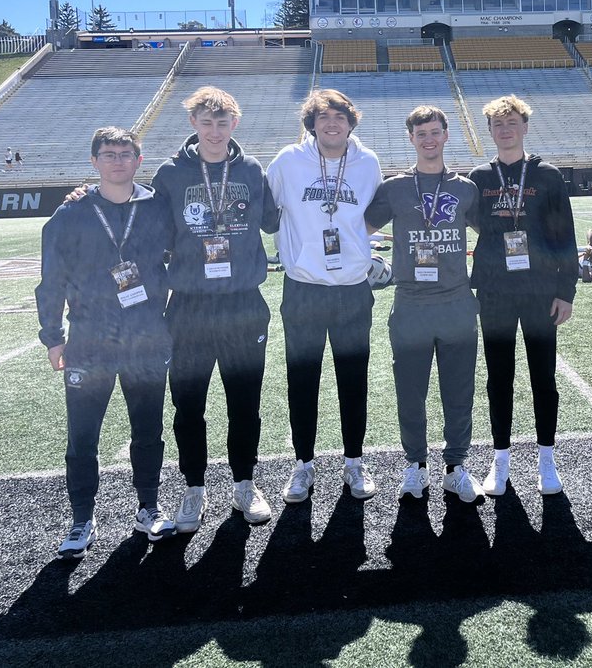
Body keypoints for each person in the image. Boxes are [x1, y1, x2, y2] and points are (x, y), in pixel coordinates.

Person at [35, 127, 177, 559]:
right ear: (94, 161)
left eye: (125, 153)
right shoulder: (70, 214)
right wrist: (52, 338)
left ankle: (148, 507)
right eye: (108, 153)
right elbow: (51, 280)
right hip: (89, 338)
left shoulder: (157, 207)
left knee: (148, 429)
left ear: (138, 159)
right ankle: (81, 517)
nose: (117, 160)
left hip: (146, 336)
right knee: (82, 435)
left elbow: (181, 254)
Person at [152, 87, 280, 532]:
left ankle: (245, 483)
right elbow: (148, 225)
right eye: (206, 122)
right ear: (193, 124)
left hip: (243, 304)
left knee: (245, 404)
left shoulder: (250, 168)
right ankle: (194, 489)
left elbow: (278, 219)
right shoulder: (170, 173)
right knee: (189, 405)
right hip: (188, 305)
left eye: (222, 122)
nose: (214, 130)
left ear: (234, 124)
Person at [267, 89, 382, 504]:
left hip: (352, 289)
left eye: (339, 117)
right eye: (323, 117)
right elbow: (264, 210)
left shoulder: (368, 163)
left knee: (354, 381)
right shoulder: (287, 161)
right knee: (303, 381)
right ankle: (303, 464)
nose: (331, 124)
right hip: (304, 289)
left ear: (351, 122)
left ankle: (354, 461)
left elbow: (371, 215)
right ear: (311, 123)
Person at [365, 106, 484, 503]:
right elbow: (358, 228)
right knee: (410, 392)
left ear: (447, 135)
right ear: (411, 139)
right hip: (411, 303)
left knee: (459, 391)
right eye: (421, 134)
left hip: (456, 303)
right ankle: (415, 465)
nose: (429, 139)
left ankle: (456, 466)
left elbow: (495, 234)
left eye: (435, 132)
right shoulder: (395, 188)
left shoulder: (466, 188)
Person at [469, 95, 577, 496]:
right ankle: (501, 460)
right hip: (495, 291)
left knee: (543, 378)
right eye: (498, 124)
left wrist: (566, 291)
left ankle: (546, 459)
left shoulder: (547, 175)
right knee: (499, 378)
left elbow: (565, 234)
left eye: (512, 122)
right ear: (491, 131)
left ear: (525, 127)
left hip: (539, 291)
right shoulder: (479, 177)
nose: (505, 129)